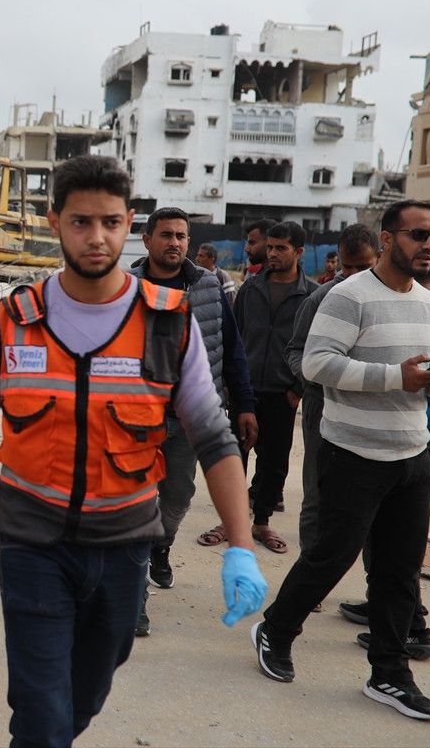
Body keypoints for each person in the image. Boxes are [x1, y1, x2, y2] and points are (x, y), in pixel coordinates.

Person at [0, 156, 265, 747]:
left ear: (128, 223)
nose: (97, 237)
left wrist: (240, 545)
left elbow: (214, 438)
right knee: (41, 715)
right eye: (81, 222)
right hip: (32, 545)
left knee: (84, 695)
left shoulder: (167, 323)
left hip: (124, 546)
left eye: (110, 223)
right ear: (55, 222)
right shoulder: (16, 319)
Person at [251, 199, 430, 722]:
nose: (429, 245)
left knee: (399, 571)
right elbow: (316, 364)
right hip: (354, 454)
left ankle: (389, 673)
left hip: (412, 453)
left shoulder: (429, 303)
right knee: (331, 556)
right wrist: (396, 378)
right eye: (418, 234)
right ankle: (275, 629)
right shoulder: (348, 296)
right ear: (387, 239)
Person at [127, 208, 257, 636]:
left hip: (190, 417)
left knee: (178, 496)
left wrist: (244, 403)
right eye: (166, 235)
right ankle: (135, 597)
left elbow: (232, 348)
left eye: (181, 236)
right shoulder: (124, 288)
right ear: (147, 239)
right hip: (136, 417)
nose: (175, 243)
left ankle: (162, 545)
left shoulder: (208, 285)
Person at [338, 254, 430, 658]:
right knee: (388, 539)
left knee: (399, 545)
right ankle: (384, 609)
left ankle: (414, 627)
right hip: (426, 432)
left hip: (419, 435)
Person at [283, 224, 379, 554]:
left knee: (369, 495)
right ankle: (310, 569)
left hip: (371, 410)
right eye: (346, 266)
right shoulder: (320, 298)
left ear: (379, 257)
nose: (352, 275)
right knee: (317, 492)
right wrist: (313, 375)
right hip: (321, 405)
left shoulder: (388, 298)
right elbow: (295, 351)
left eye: (362, 267)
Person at [220, 221, 315, 554]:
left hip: (282, 393)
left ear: (298, 252)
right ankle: (230, 522)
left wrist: (297, 389)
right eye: (270, 247)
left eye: (280, 248)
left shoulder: (311, 295)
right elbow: (233, 338)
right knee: (235, 456)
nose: (272, 253)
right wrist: (230, 382)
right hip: (245, 390)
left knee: (274, 462)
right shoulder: (250, 288)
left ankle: (261, 522)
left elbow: (314, 347)